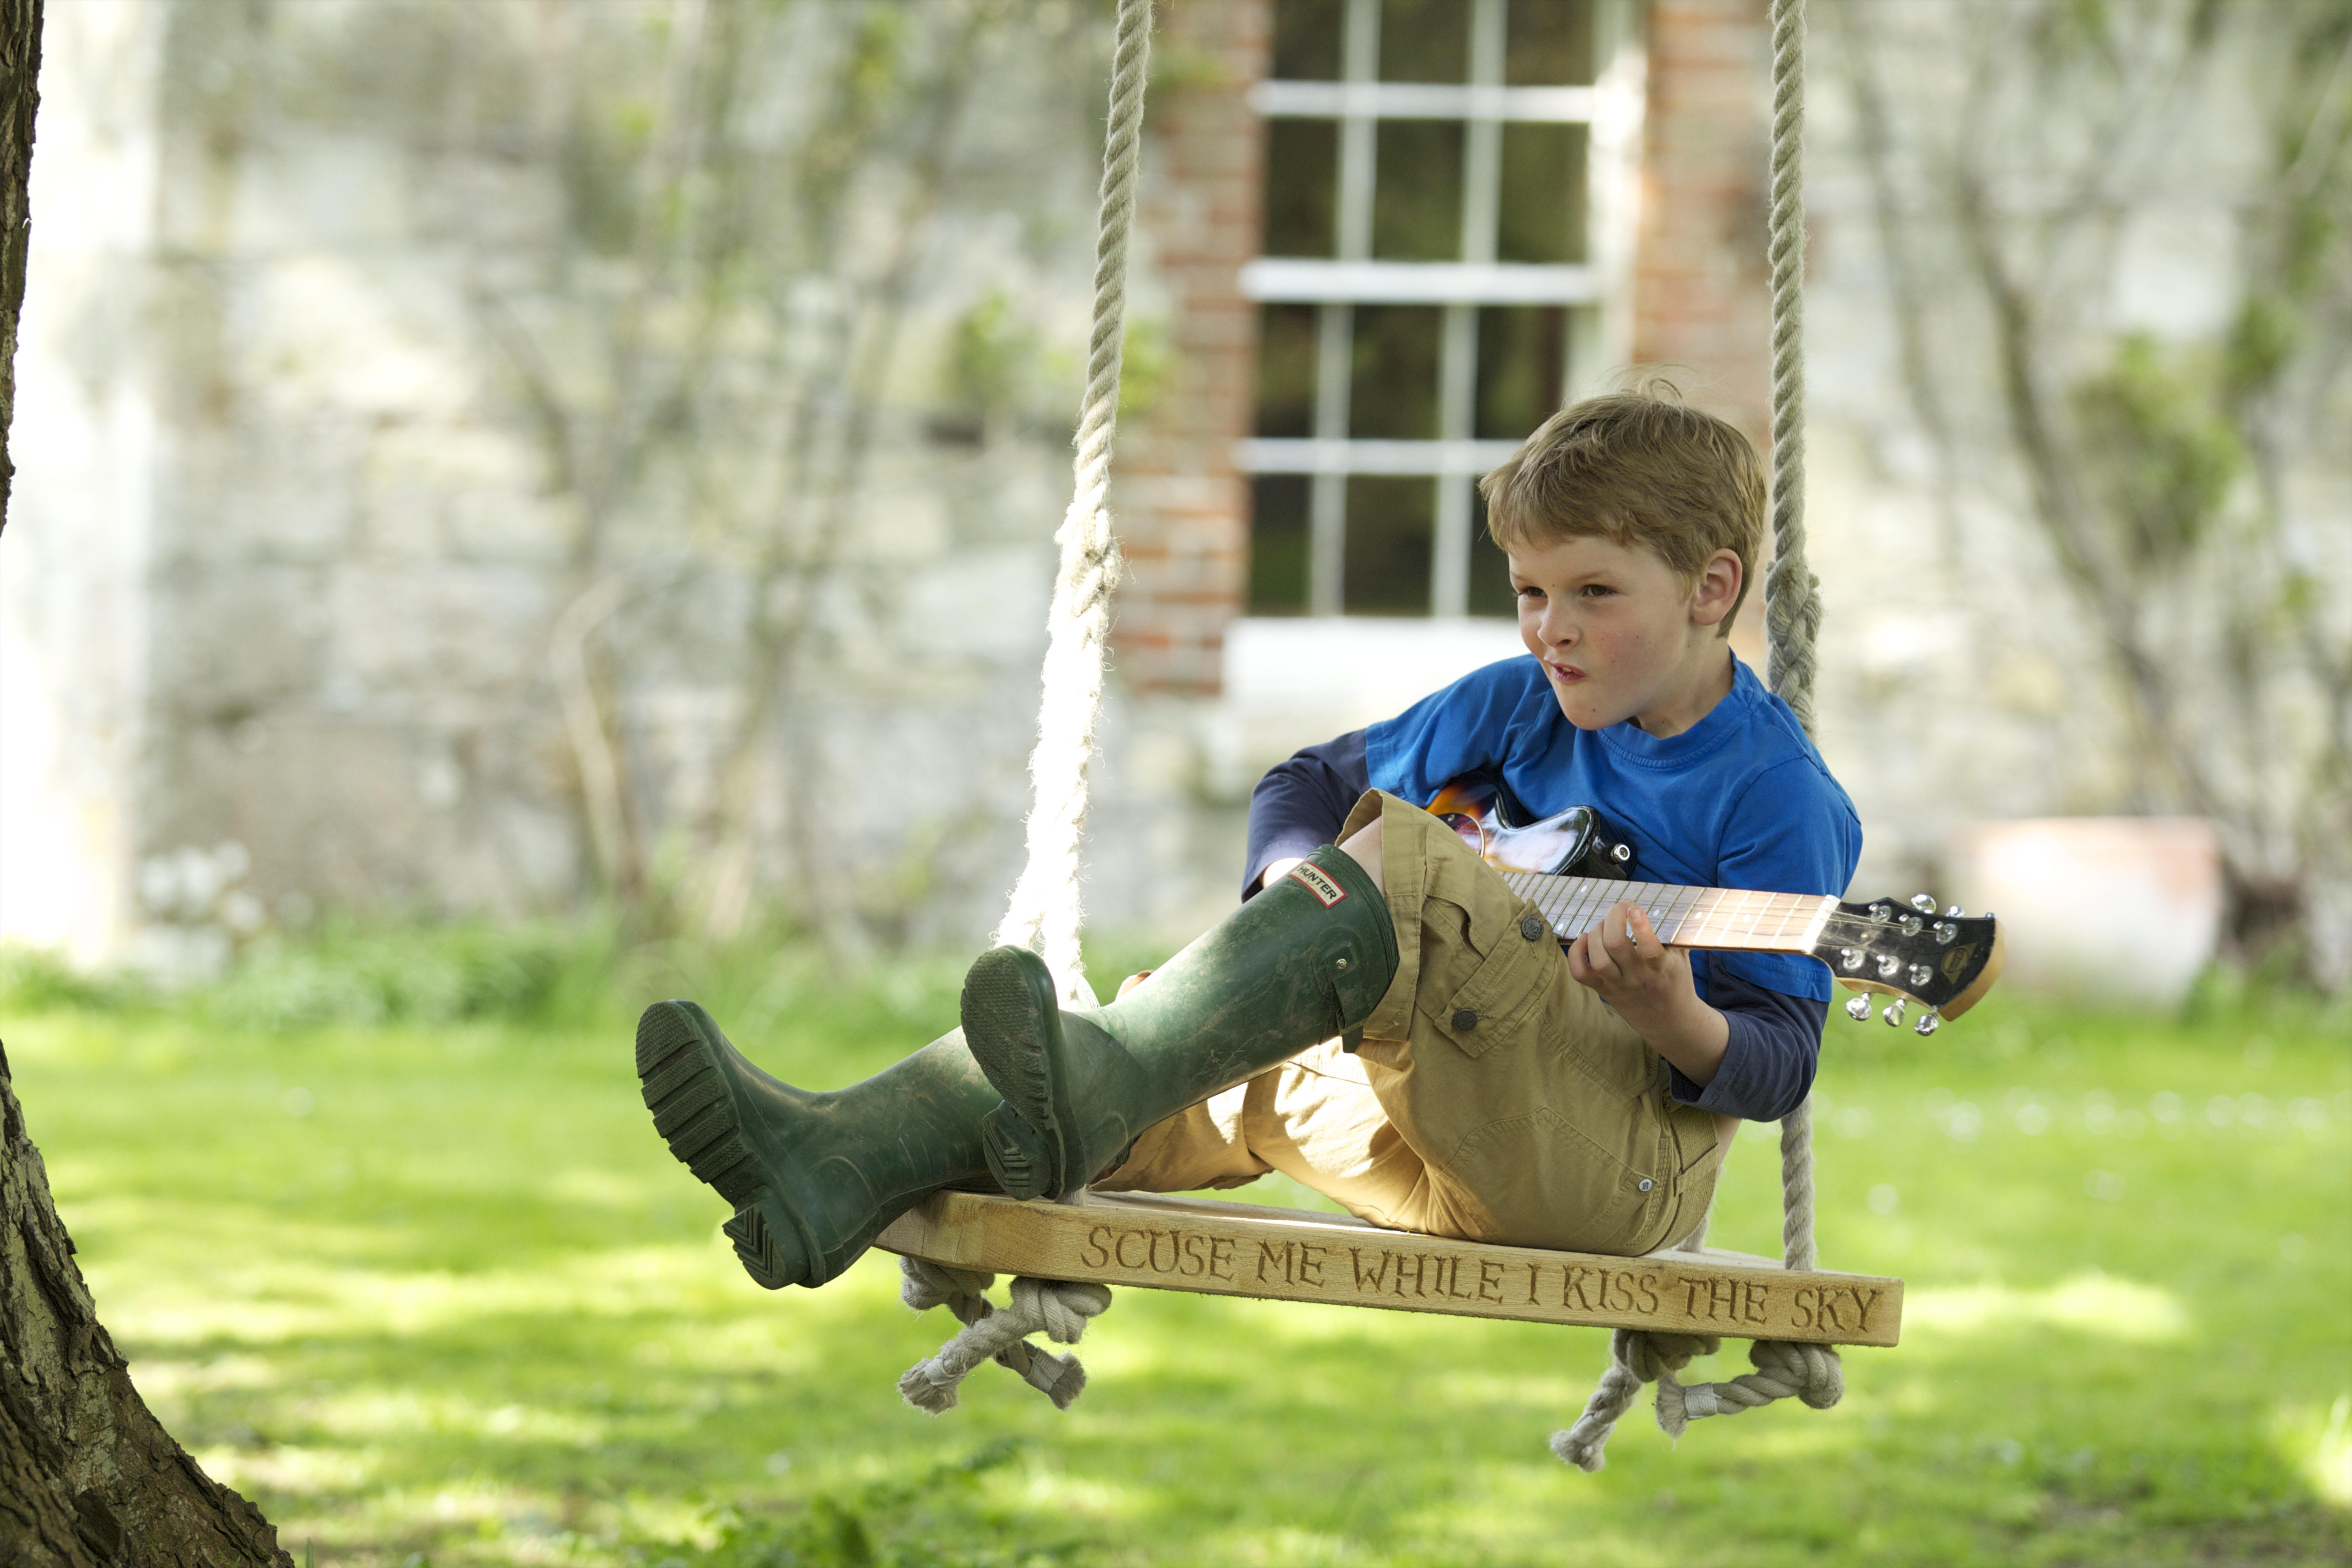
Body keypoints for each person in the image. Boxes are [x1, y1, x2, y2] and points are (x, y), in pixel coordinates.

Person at [633, 390, 1861, 1293]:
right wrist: (1298, 895)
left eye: (1595, 592)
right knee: (1139, 1052)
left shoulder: (1772, 793)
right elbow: (1309, 779)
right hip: (1434, 1142)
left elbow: (1777, 1061)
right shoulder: (1516, 700)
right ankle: (836, 1163)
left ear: (1711, 590)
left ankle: (1081, 1079)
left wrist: (1666, 1012)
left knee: (1401, 865)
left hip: (1610, 1176)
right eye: (1530, 590)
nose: (1552, 628)